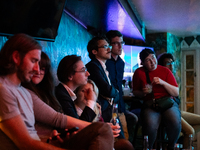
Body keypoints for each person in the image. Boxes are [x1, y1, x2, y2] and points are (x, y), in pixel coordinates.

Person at [0, 33, 114, 150]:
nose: (37, 70)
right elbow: (25, 143)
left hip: (44, 143)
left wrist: (97, 127)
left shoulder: (25, 92)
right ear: (16, 57)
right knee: (102, 129)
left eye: (40, 66)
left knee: (104, 130)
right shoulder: (3, 90)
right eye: (33, 61)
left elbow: (57, 119)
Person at [86, 36, 134, 150]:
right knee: (123, 143)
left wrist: (114, 93)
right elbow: (107, 90)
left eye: (109, 46)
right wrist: (116, 93)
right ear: (94, 51)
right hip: (102, 110)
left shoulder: (103, 65)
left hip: (110, 108)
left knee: (123, 141)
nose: (109, 49)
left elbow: (110, 90)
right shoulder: (93, 66)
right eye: (105, 46)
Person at [132, 48, 181, 150]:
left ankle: (171, 146)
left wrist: (163, 82)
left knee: (175, 122)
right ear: (143, 63)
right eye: (148, 60)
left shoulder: (165, 71)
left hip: (167, 102)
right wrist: (143, 92)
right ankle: (148, 147)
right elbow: (135, 92)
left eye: (153, 58)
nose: (152, 62)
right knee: (150, 125)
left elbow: (176, 92)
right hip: (150, 103)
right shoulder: (139, 72)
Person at [75, 79, 134, 150]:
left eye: (91, 92)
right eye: (83, 91)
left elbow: (101, 126)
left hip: (99, 140)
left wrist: (109, 129)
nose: (88, 95)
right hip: (86, 143)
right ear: (77, 92)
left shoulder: (96, 108)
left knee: (125, 144)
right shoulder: (74, 110)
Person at [158, 52, 200, 149]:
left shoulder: (172, 78)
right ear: (162, 65)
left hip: (176, 111)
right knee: (190, 131)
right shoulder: (159, 79)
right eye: (168, 63)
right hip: (166, 112)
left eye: (172, 63)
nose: (171, 65)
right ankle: (182, 140)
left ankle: (181, 139)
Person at [106, 30, 138, 140]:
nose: (120, 46)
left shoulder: (121, 63)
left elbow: (119, 85)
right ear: (109, 45)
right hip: (106, 105)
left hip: (120, 105)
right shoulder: (104, 61)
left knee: (125, 136)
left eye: (122, 43)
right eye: (116, 43)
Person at [55, 55, 96, 122]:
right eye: (83, 70)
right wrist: (91, 102)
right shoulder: (61, 96)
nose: (88, 74)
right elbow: (77, 127)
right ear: (70, 75)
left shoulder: (64, 93)